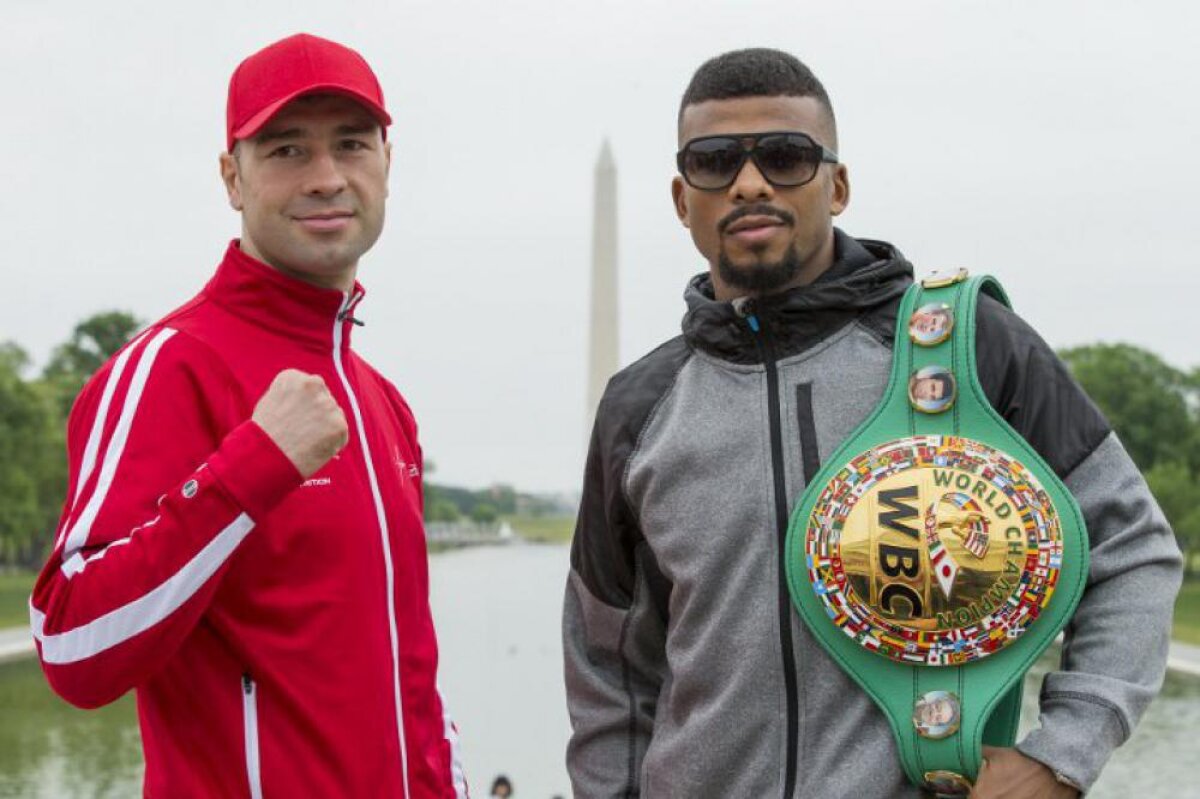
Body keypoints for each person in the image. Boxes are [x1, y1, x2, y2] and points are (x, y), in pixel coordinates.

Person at [562, 48, 1182, 798]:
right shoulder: (638, 406)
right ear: (680, 196)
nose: (749, 182)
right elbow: (610, 670)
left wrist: (1063, 752)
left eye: (786, 156)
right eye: (715, 160)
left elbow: (1131, 549)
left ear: (839, 184)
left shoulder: (968, 350)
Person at [29, 33, 466, 798]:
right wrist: (254, 466)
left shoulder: (382, 402)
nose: (327, 177)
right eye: (287, 150)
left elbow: (412, 677)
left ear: (387, 164)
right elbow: (71, 646)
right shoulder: (168, 366)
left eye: (351, 144)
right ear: (232, 178)